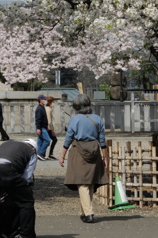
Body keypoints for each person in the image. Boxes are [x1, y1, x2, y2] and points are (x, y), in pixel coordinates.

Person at [59, 93, 109, 224]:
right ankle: (84, 212)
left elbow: (68, 138)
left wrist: (62, 155)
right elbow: (102, 140)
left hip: (78, 151)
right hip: (94, 150)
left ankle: (89, 213)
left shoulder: (75, 120)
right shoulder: (98, 119)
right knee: (90, 182)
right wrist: (105, 157)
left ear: (76, 106)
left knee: (82, 183)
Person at [34, 94, 50, 160]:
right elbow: (38, 119)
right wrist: (38, 128)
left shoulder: (41, 107)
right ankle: (41, 153)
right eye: (44, 99)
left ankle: (38, 154)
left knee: (40, 141)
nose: (45, 100)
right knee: (47, 140)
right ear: (40, 100)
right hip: (41, 127)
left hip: (42, 127)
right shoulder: (40, 108)